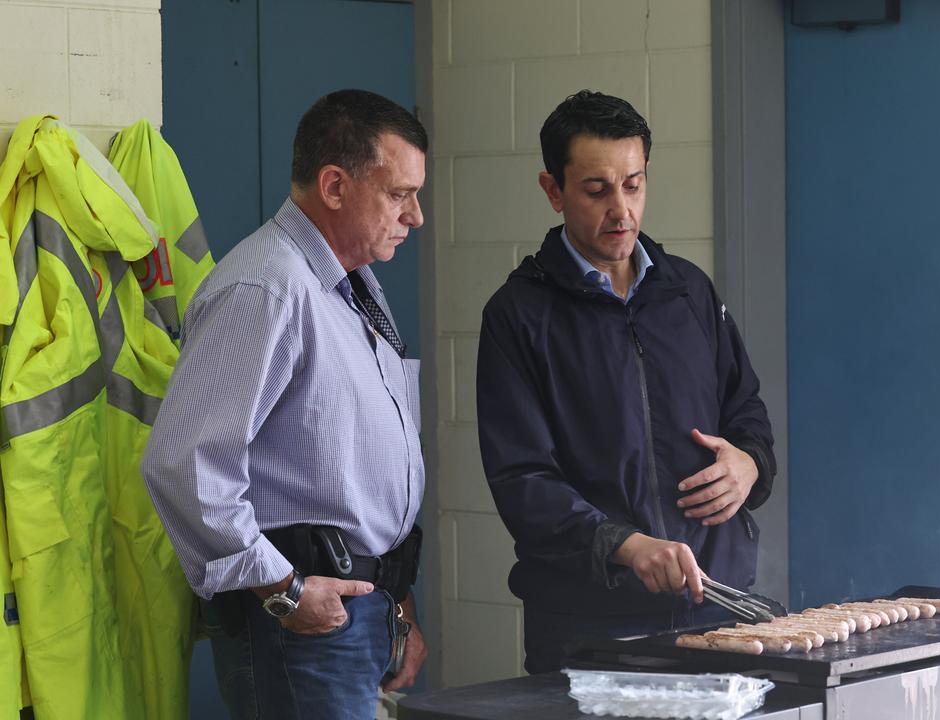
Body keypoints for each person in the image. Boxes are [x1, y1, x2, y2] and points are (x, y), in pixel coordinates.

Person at [142, 89, 429, 718]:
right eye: (399, 194)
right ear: (333, 185)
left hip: (359, 608)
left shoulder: (349, 282)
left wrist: (397, 601)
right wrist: (284, 591)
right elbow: (184, 466)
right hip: (301, 622)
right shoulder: (266, 286)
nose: (415, 217)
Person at [476, 90, 776, 674]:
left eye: (633, 185)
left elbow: (748, 413)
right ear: (553, 190)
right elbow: (522, 479)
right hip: (591, 625)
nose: (621, 211)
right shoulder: (518, 315)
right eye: (597, 190)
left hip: (716, 611)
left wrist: (749, 464)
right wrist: (624, 545)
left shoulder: (689, 291)